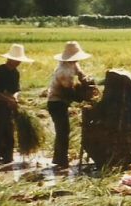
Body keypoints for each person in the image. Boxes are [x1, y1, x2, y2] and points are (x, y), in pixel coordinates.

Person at [0, 44, 33, 167]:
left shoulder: (15, 73)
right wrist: (8, 99)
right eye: (17, 60)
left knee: (9, 134)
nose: (18, 63)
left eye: (19, 61)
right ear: (10, 59)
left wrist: (15, 97)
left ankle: (8, 160)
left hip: (7, 108)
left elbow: (16, 89)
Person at [47, 41, 91, 169]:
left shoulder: (74, 64)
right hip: (56, 103)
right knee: (63, 131)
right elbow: (69, 92)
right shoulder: (63, 70)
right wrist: (83, 98)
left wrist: (87, 82)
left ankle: (59, 158)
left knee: (63, 130)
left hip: (63, 101)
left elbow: (81, 75)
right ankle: (61, 160)